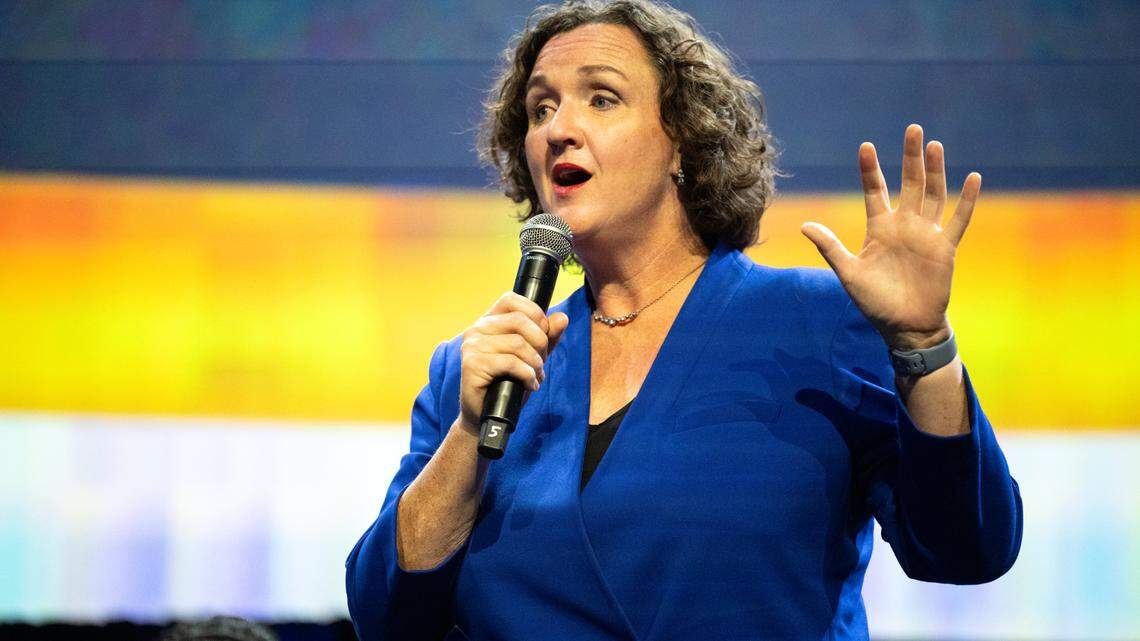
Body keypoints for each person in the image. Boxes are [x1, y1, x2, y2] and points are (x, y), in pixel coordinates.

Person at [346, 1, 1024, 639]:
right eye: (540, 108)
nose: (557, 129)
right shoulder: (474, 372)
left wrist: (924, 345)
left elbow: (965, 548)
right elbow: (386, 616)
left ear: (683, 142)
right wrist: (469, 433)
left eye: (601, 98)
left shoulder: (818, 324)